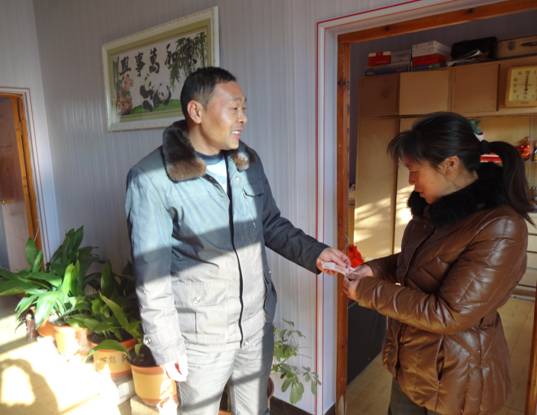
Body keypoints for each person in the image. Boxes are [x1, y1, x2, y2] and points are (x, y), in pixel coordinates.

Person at [125, 66, 349, 415]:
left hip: (256, 324)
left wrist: (316, 253)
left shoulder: (247, 160)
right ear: (196, 111)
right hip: (201, 336)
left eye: (244, 108)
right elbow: (151, 275)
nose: (243, 118)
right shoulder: (152, 177)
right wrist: (167, 346)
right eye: (233, 108)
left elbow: (270, 223)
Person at [343, 112, 533, 415]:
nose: (410, 180)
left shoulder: (500, 227)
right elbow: (420, 260)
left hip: (456, 377)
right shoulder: (432, 211)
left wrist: (366, 291)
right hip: (412, 364)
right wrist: (375, 269)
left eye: (414, 170)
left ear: (450, 165)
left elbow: (449, 314)